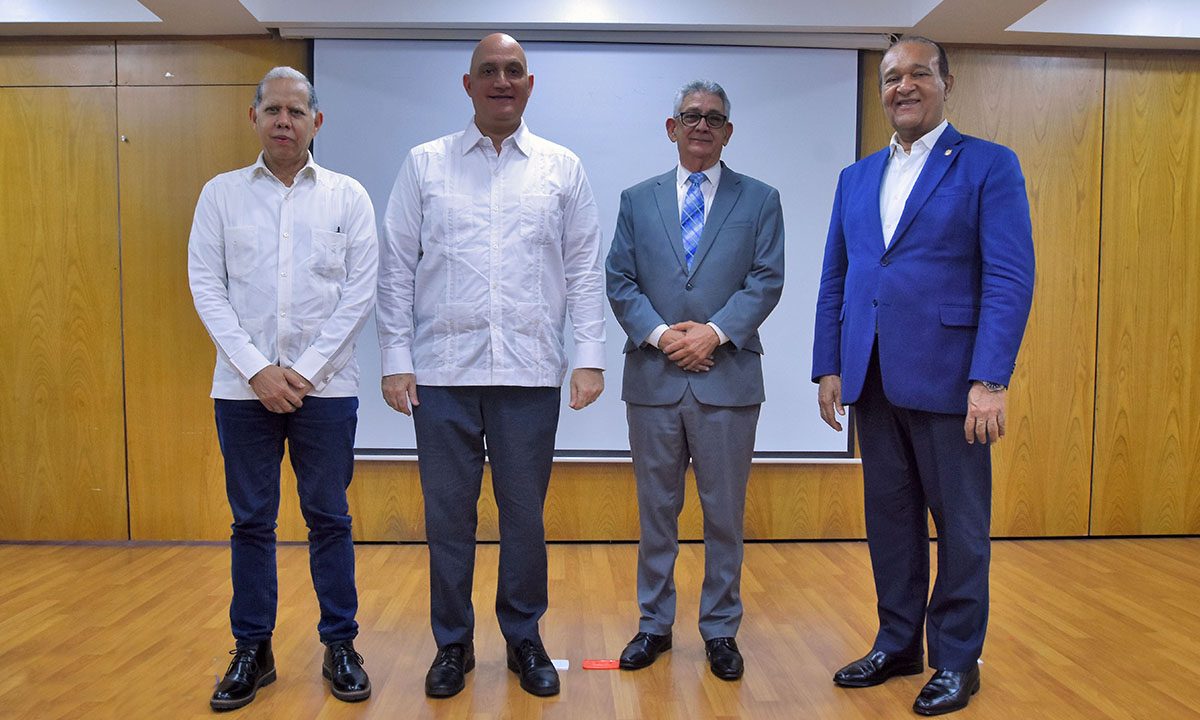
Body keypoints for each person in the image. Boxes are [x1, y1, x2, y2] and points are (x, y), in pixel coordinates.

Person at [376, 33, 606, 699]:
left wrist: (587, 360)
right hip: (442, 376)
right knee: (449, 519)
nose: (502, 81)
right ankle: (453, 645)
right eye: (489, 72)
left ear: (529, 85)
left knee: (524, 519)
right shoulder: (426, 165)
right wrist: (396, 361)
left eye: (514, 71)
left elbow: (584, 271)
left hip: (530, 377)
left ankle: (524, 637)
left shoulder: (562, 168)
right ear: (468, 84)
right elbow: (396, 271)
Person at [811, 37, 1035, 716]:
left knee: (960, 529)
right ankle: (898, 642)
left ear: (946, 81)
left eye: (916, 74)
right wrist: (829, 365)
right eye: (889, 78)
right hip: (872, 377)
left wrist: (990, 377)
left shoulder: (988, 165)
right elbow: (837, 279)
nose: (902, 87)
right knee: (891, 522)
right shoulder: (855, 178)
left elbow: (1009, 275)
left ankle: (958, 661)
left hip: (952, 380)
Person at [188, 66, 376, 711]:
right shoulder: (220, 195)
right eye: (273, 110)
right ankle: (252, 649)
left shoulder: (348, 196)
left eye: (297, 111)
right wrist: (257, 370)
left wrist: (303, 371)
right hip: (243, 392)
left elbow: (359, 293)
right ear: (255, 118)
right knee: (251, 522)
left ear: (317, 121)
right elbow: (206, 289)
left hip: (327, 391)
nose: (284, 121)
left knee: (329, 517)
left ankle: (340, 645)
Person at [606, 80, 784, 681]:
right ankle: (654, 625)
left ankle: (720, 629)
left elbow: (766, 279)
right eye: (691, 116)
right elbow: (620, 281)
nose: (702, 125)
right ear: (671, 126)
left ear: (728, 130)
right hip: (654, 379)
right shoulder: (637, 199)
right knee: (656, 513)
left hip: (727, 377)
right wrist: (664, 338)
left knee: (724, 515)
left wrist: (712, 334)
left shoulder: (760, 199)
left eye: (714, 118)